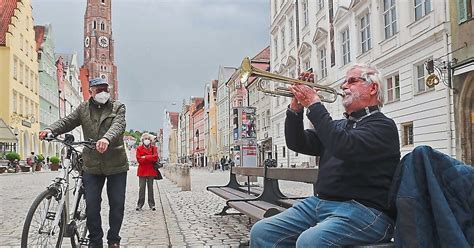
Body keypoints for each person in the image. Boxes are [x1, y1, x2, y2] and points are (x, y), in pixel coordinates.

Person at [250, 64, 401, 247]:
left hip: (366, 210)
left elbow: (342, 145)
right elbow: (297, 143)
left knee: (310, 242)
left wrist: (314, 104)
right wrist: (296, 109)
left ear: (373, 88)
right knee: (262, 232)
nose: (344, 86)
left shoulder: (383, 126)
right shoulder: (338, 126)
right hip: (320, 203)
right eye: (344, 81)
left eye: (352, 81)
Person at [39, 78, 128, 248]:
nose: (103, 92)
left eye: (105, 89)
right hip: (92, 164)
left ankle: (113, 239)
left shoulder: (118, 107)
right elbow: (67, 121)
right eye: (98, 89)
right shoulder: (83, 109)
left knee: (117, 203)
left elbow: (118, 125)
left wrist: (106, 139)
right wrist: (51, 129)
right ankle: (95, 241)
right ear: (91, 92)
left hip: (116, 164)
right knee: (92, 205)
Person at [135, 133, 158, 211]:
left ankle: (152, 204)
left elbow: (155, 158)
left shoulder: (154, 148)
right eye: (145, 139)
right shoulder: (139, 148)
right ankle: (139, 204)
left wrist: (144, 157)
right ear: (142, 140)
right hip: (142, 171)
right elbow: (139, 159)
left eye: (148, 139)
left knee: (150, 188)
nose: (147, 140)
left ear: (150, 140)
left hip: (151, 171)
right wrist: (149, 158)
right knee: (142, 188)